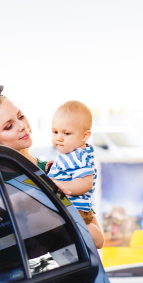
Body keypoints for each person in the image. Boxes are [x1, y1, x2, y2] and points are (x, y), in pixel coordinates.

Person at [0, 87, 104, 250]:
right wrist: (26, 198)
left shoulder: (54, 171)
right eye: (9, 126)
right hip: (7, 275)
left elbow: (98, 240)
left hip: (56, 271)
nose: (22, 125)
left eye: (21, 116)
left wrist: (55, 220)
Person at [47, 100, 101, 242]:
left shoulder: (77, 156)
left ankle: (94, 234)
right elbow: (73, 170)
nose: (59, 137)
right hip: (73, 208)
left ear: (84, 136)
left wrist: (60, 185)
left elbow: (86, 182)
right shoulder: (74, 154)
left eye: (66, 133)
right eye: (55, 132)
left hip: (74, 209)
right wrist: (56, 166)